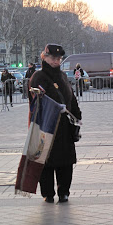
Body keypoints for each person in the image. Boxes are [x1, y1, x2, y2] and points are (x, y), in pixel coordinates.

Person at [29, 43, 82, 203]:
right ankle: (48, 193)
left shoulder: (63, 76)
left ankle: (64, 191)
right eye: (53, 58)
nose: (56, 61)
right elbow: (36, 99)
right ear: (44, 57)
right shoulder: (38, 76)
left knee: (66, 161)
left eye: (58, 58)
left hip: (64, 126)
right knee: (46, 162)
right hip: (46, 125)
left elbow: (71, 97)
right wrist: (53, 106)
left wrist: (77, 116)